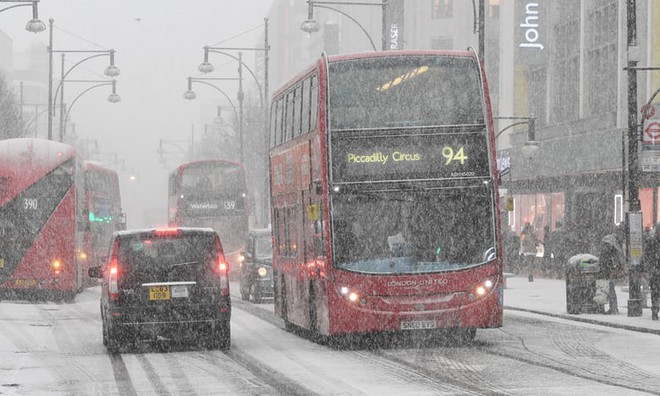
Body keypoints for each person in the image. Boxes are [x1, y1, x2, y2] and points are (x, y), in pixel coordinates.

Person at [598, 234, 623, 315]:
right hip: (610, 272)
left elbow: (610, 263)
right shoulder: (613, 251)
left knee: (610, 290)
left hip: (610, 272)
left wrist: (611, 270)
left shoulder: (609, 252)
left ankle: (613, 308)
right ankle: (613, 307)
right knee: (610, 290)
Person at [643, 224, 660, 320]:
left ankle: (655, 309)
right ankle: (655, 311)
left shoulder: (651, 242)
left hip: (655, 270)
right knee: (655, 292)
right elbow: (648, 256)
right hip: (655, 271)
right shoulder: (652, 242)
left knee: (655, 292)